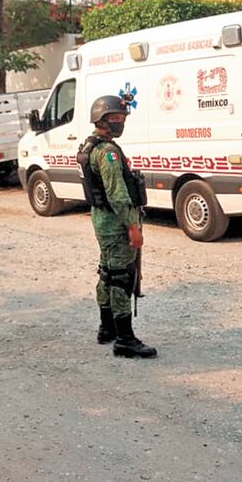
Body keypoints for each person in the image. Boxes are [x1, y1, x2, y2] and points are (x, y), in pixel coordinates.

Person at [76, 95, 157, 359]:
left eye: (122, 118)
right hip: (116, 222)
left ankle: (107, 328)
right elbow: (117, 194)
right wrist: (132, 227)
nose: (119, 123)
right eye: (115, 118)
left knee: (107, 273)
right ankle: (125, 339)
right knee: (121, 277)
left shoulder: (91, 146)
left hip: (103, 221)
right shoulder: (107, 152)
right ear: (101, 120)